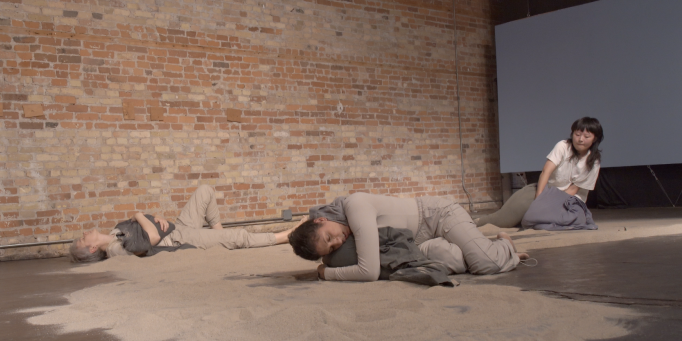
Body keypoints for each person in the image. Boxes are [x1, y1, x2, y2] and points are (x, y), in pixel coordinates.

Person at [288, 192, 529, 281]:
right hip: (417, 244)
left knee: (484, 264)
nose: (338, 242)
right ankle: (485, 248)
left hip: (437, 216)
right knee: (457, 261)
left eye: (329, 237)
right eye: (331, 249)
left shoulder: (355, 206)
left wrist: (327, 273)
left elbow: (369, 271)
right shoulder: (341, 228)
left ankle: (504, 243)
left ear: (321, 220)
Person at [70, 185, 294, 262]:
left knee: (205, 190)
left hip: (176, 226)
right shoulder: (117, 250)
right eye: (83, 238)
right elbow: (153, 238)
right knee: (238, 236)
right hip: (177, 238)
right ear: (91, 248)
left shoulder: (115, 232)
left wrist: (155, 218)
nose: (84, 232)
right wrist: (139, 215)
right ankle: (287, 235)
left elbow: (150, 226)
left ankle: (222, 241)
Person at [475, 117, 603, 230]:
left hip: (569, 200)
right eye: (577, 134)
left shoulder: (593, 161)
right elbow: (546, 172)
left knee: (570, 220)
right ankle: (476, 223)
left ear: (594, 139)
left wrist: (548, 204)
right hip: (545, 190)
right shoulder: (563, 146)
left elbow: (573, 189)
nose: (580, 139)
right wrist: (539, 199)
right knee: (506, 218)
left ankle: (533, 218)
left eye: (586, 137)